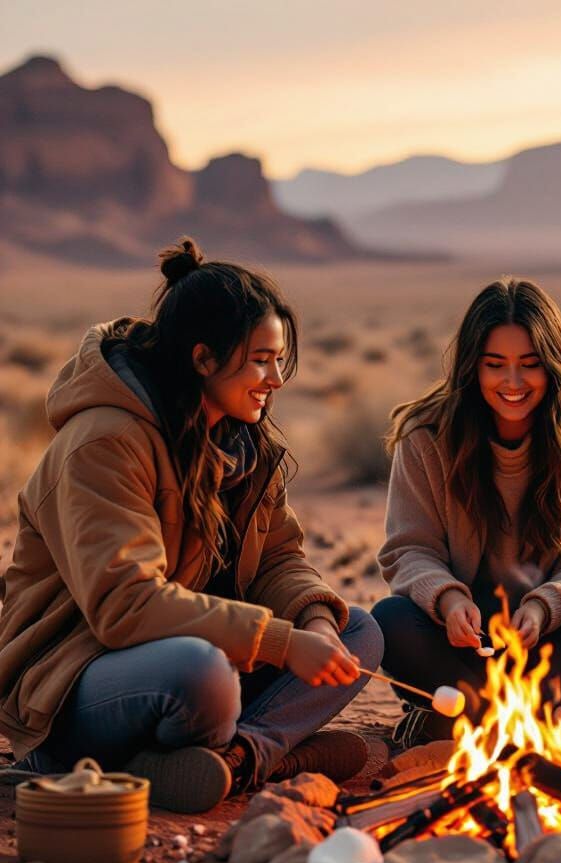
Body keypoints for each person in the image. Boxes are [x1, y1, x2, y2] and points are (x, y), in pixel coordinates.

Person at [0, 238, 384, 812]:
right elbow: (125, 606)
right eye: (260, 358)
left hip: (201, 661)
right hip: (75, 680)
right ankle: (271, 754)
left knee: (358, 631)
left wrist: (313, 622)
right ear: (203, 358)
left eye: (279, 359)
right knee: (201, 674)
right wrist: (280, 642)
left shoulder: (242, 442)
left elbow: (280, 557)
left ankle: (237, 761)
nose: (276, 378)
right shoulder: (106, 441)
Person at [373, 278, 561, 749]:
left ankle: (468, 722)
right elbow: (409, 550)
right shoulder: (427, 434)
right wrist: (449, 600)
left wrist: (543, 607)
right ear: (471, 367)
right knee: (387, 621)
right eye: (495, 365)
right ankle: (541, 722)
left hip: (556, 646)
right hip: (461, 652)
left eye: (530, 366)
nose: (512, 383)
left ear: (554, 365)